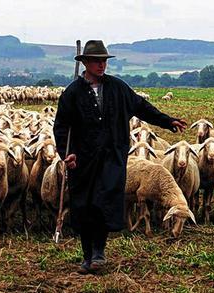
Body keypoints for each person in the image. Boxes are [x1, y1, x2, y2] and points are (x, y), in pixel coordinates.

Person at [53, 40, 187, 274]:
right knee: (84, 206)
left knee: (102, 203)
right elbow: (61, 126)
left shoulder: (117, 87)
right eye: (96, 61)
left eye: (104, 61)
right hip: (83, 161)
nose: (101, 65)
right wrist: (66, 153)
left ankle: (98, 253)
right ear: (85, 63)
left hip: (111, 158)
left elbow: (141, 107)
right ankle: (87, 256)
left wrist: (167, 120)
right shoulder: (72, 93)